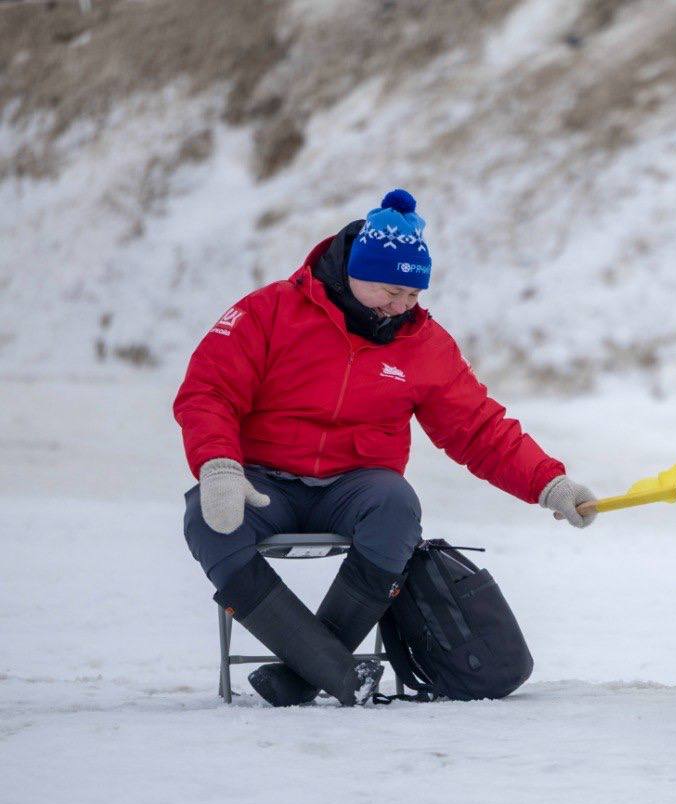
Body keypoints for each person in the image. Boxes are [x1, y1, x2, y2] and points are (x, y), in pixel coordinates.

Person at [176, 189, 597, 707]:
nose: (401, 306)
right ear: (356, 271)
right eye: (390, 291)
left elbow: (479, 428)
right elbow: (208, 390)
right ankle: (332, 668)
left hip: (355, 488)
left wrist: (548, 483)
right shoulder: (268, 312)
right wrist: (218, 464)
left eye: (413, 296)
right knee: (205, 517)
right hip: (263, 482)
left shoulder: (423, 343)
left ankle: (307, 671)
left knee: (397, 502)